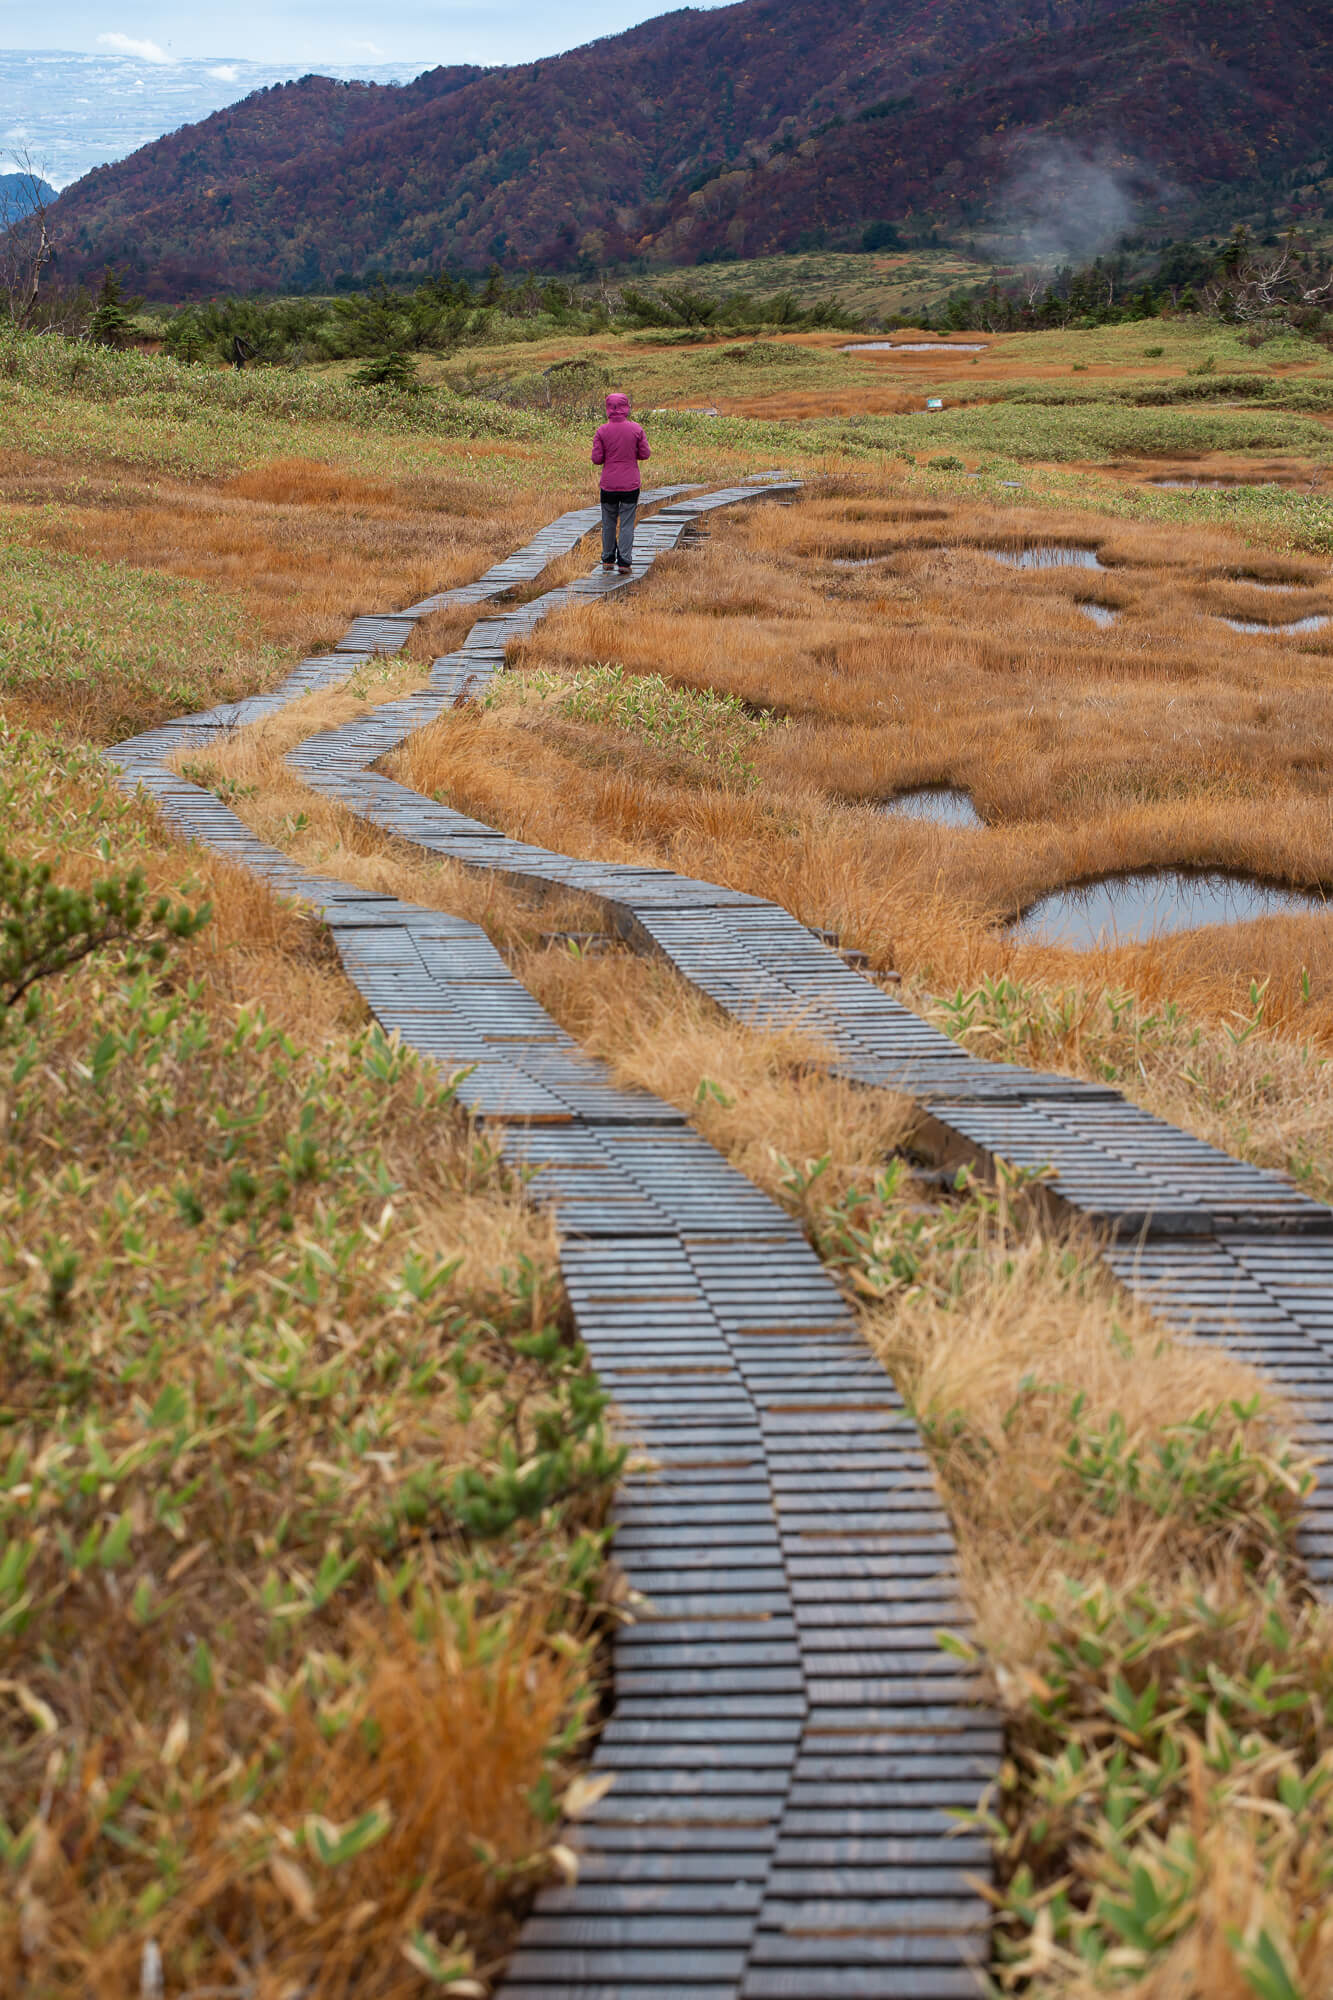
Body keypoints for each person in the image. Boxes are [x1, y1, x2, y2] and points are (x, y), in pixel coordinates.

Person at [591, 391, 651, 575]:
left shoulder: (601, 431)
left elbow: (596, 458)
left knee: (608, 522)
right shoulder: (636, 429)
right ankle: (624, 561)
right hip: (630, 484)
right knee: (626, 523)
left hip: (608, 484)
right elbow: (645, 454)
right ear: (626, 407)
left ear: (608, 408)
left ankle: (608, 559)